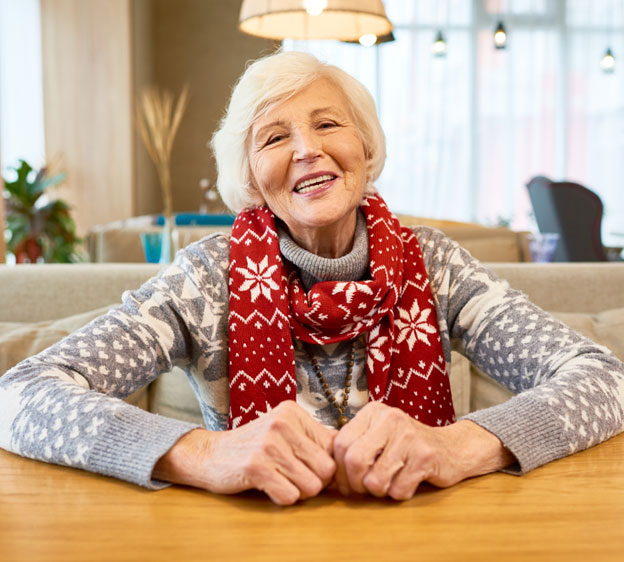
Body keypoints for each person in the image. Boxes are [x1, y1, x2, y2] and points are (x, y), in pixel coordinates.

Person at [0, 51, 622, 506]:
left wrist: (459, 446)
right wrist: (203, 453)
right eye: (274, 137)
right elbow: (21, 393)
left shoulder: (434, 263)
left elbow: (605, 378)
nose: (306, 149)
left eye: (327, 124)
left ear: (365, 147)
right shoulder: (203, 279)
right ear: (249, 175)